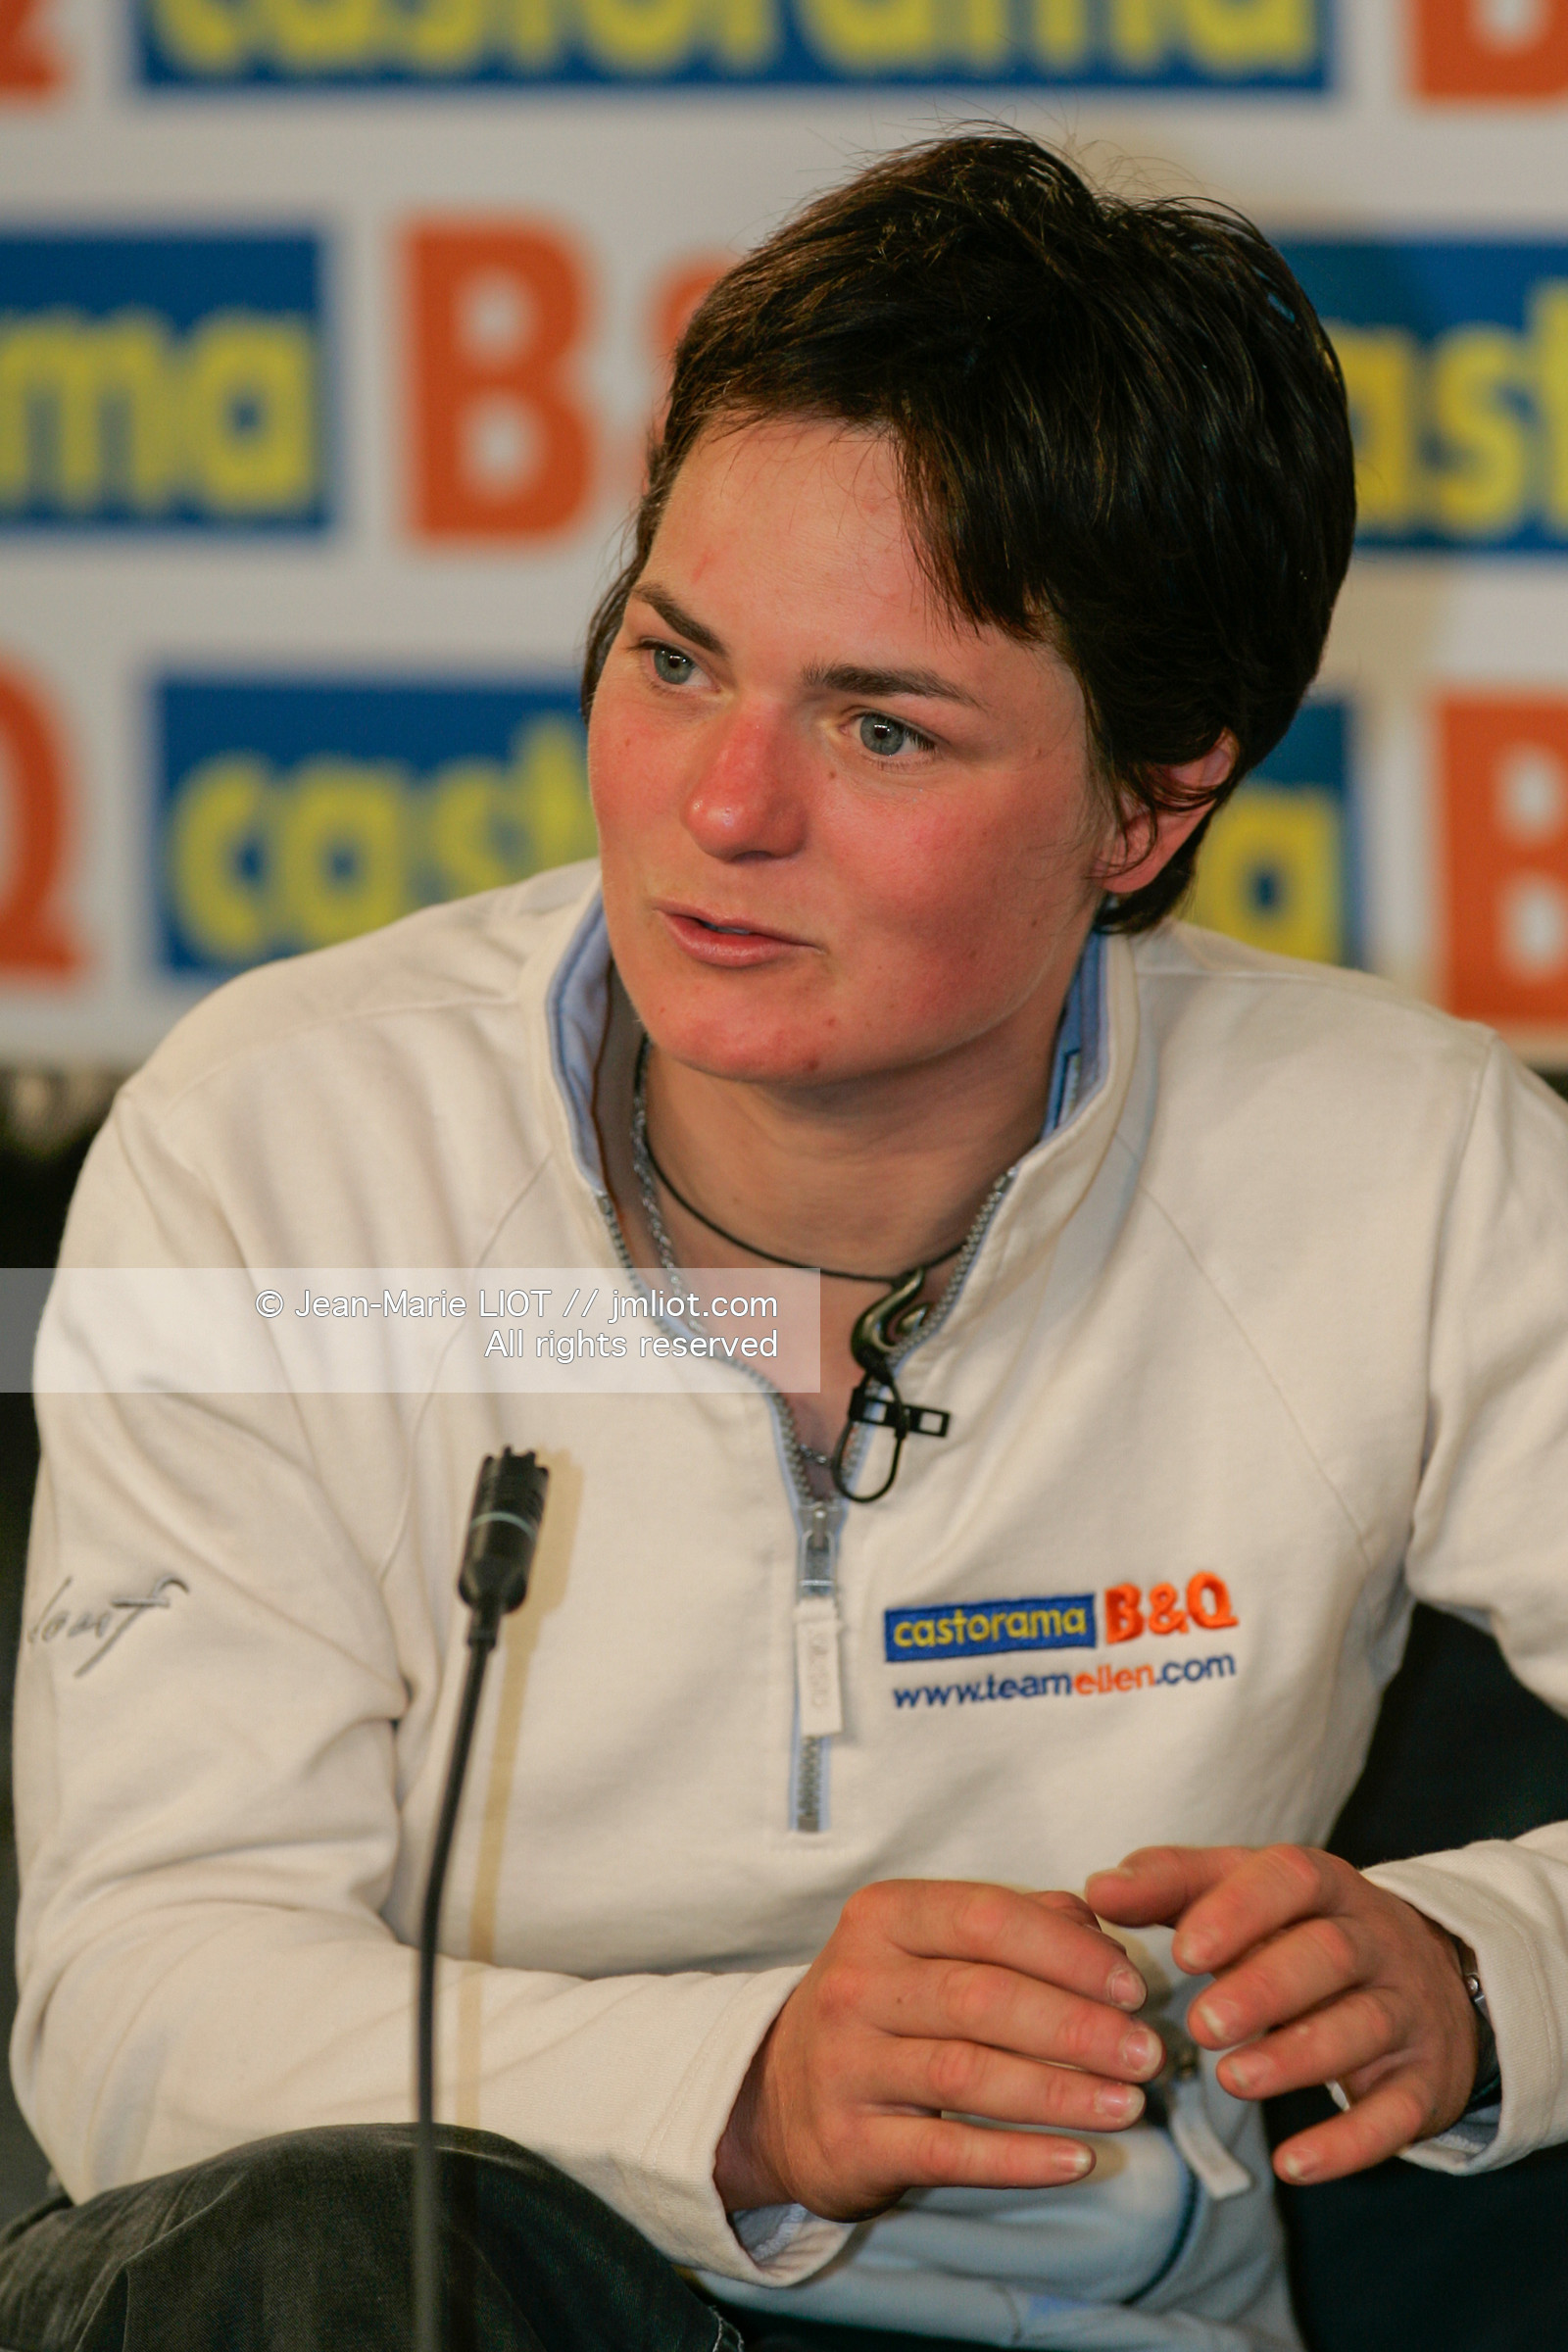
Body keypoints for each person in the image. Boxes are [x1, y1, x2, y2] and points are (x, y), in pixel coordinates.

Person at [7, 130, 1568, 2352]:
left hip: (1085, 2324)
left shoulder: (1404, 1163)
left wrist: (1486, 1976)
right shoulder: (277, 1147)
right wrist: (737, 2093)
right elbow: (134, 1993)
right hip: (463, 2297)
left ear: (1149, 804)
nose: (720, 808)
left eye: (879, 725)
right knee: (315, 2271)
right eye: (673, 662)